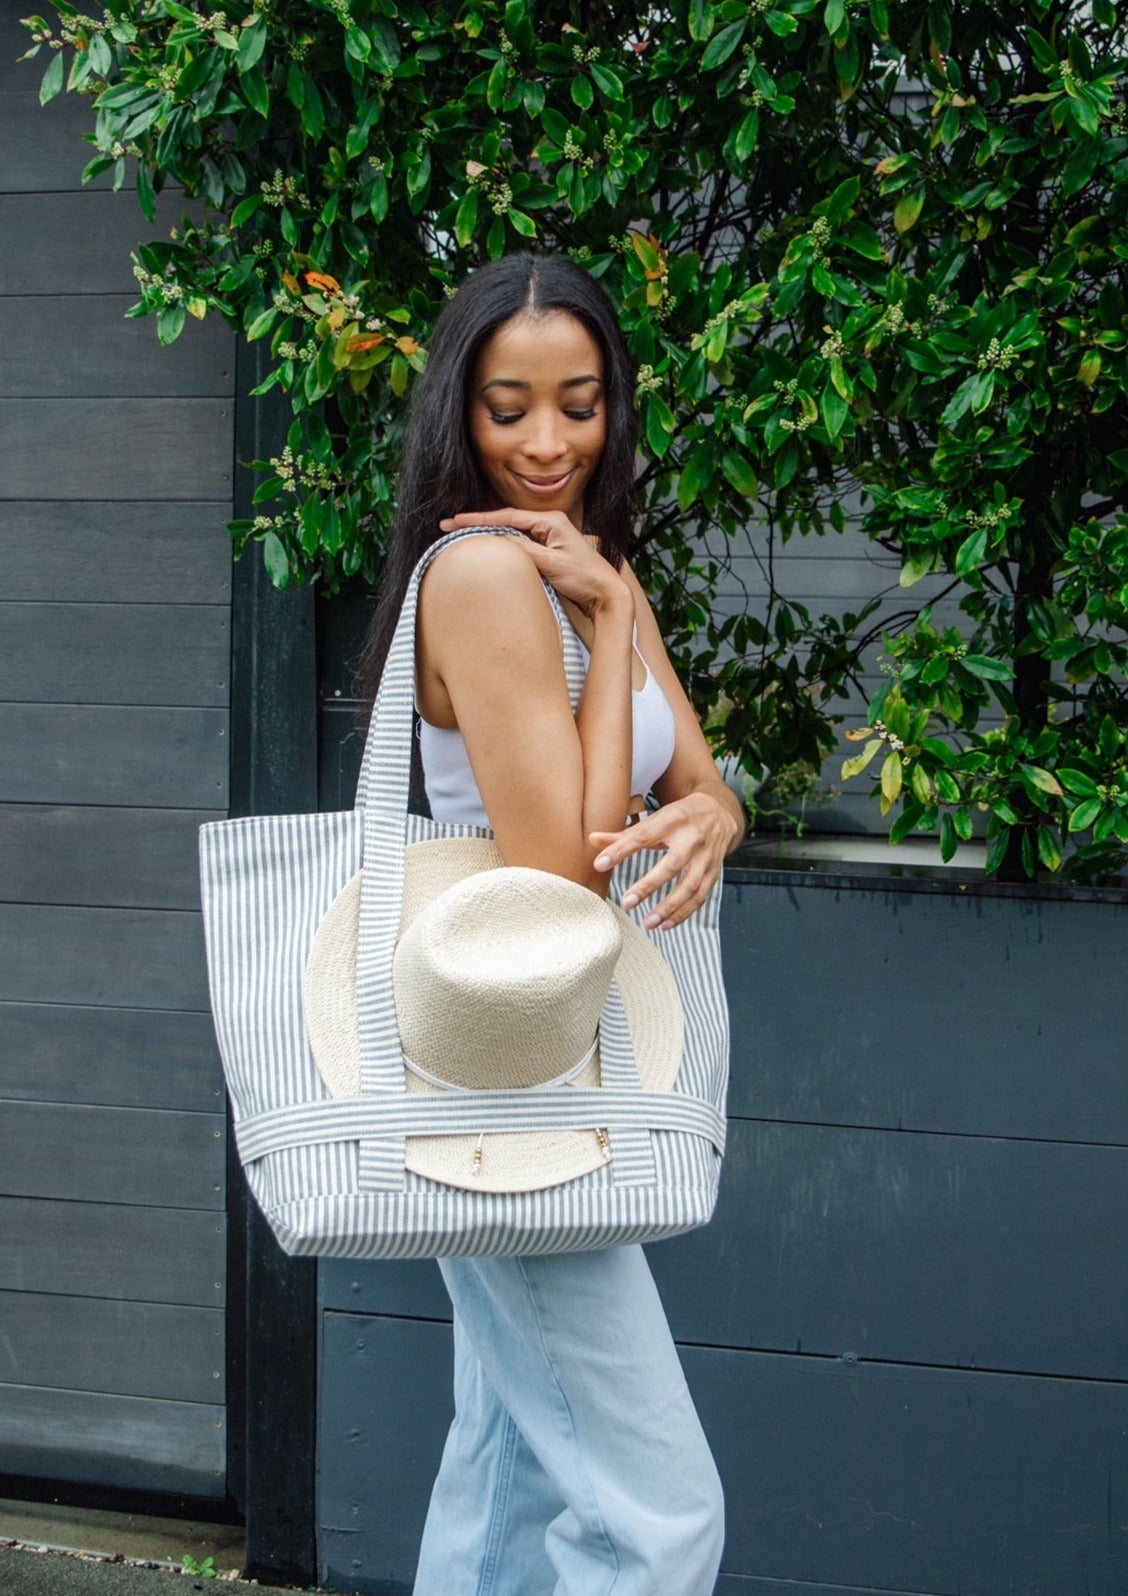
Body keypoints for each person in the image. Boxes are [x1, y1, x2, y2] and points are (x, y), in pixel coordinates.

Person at [360, 252, 745, 1596]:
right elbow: (568, 876)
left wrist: (719, 818)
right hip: (514, 1081)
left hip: (550, 1076)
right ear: (457, 415)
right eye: (507, 406)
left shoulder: (584, 564)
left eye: (578, 404)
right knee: (657, 1518)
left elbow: (697, 786)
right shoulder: (481, 579)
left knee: (508, 1471)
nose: (545, 441)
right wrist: (612, 614)